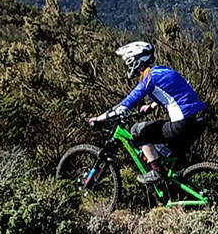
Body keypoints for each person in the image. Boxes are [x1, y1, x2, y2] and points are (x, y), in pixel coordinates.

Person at [88, 41, 208, 184]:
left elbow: (124, 105)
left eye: (128, 62)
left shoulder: (149, 79)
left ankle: (157, 172)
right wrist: (151, 105)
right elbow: (173, 93)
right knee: (167, 157)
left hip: (181, 124)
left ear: (136, 62)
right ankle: (173, 185)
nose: (127, 66)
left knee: (137, 131)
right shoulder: (163, 70)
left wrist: (99, 118)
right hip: (197, 121)